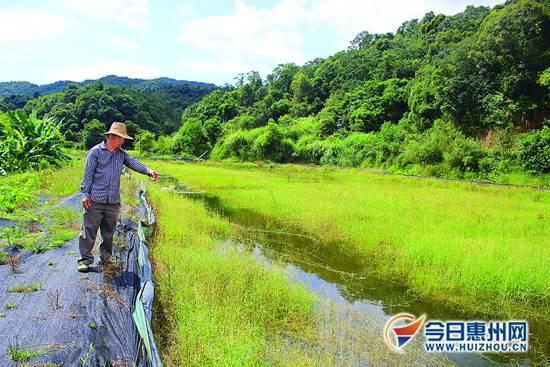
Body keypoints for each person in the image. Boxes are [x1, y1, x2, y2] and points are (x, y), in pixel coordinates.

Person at [78, 122, 161, 272]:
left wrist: (149, 171)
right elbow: (87, 176)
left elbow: (135, 163)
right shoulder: (95, 152)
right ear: (112, 136)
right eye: (121, 138)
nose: (123, 141)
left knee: (109, 232)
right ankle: (85, 260)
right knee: (89, 230)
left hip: (112, 201)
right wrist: (85, 194)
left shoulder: (121, 154)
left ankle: (106, 259)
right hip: (95, 199)